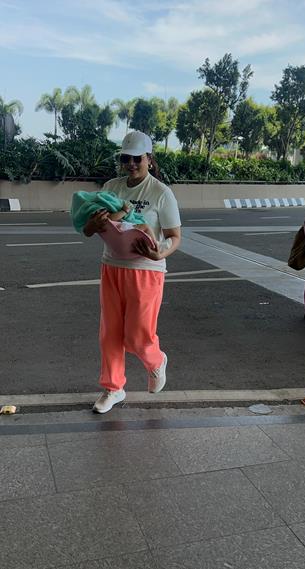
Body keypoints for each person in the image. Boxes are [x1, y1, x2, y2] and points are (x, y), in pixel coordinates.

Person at [83, 130, 181, 413]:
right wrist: (92, 225)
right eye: (126, 158)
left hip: (146, 270)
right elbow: (90, 228)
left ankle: (156, 361)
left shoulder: (161, 193)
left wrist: (160, 251)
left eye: (137, 158)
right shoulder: (111, 187)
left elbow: (175, 236)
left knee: (138, 335)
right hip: (112, 266)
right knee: (110, 332)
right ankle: (113, 388)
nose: (131, 164)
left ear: (149, 159)